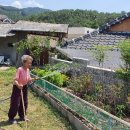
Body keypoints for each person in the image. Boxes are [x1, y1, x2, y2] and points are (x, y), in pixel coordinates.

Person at [8, 55, 36, 124]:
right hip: (17, 88)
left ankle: (22, 116)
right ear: (24, 62)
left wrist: (33, 79)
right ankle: (11, 118)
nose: (30, 64)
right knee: (15, 103)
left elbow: (28, 79)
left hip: (24, 87)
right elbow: (15, 80)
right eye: (28, 63)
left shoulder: (28, 70)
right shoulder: (20, 69)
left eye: (30, 63)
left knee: (25, 102)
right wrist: (18, 85)